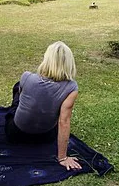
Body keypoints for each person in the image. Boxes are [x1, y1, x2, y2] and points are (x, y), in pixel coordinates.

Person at [5, 41, 82, 171]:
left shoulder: (27, 77)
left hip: (15, 134)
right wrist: (62, 157)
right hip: (46, 137)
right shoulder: (71, 88)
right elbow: (64, 121)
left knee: (18, 88)